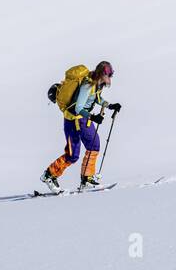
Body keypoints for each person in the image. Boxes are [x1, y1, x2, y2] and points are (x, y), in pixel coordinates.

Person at [41, 60, 121, 191]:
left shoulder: (96, 85)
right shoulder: (87, 86)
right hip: (74, 121)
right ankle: (50, 175)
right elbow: (78, 108)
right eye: (109, 73)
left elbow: (96, 98)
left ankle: (86, 178)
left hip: (81, 120)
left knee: (92, 145)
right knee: (74, 155)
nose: (110, 76)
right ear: (102, 73)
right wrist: (93, 117)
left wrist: (110, 105)